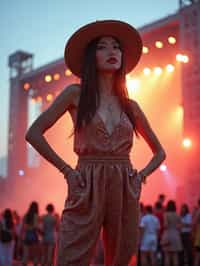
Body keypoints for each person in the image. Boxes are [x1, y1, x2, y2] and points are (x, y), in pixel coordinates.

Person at [25, 20, 166, 266]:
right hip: (85, 180)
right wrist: (67, 170)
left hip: (124, 184)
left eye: (116, 47)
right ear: (91, 57)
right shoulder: (74, 94)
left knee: (121, 258)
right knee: (70, 257)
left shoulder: (131, 106)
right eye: (103, 47)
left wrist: (140, 176)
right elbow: (34, 133)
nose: (113, 52)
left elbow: (160, 153)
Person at [161, 200, 182, 266]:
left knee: (167, 256)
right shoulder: (177, 215)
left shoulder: (166, 214)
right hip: (176, 235)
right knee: (175, 256)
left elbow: (165, 225)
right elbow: (180, 227)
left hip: (168, 235)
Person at [21, 201, 40, 266]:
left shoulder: (26, 215)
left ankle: (24, 262)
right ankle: (35, 263)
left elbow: (23, 227)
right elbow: (35, 226)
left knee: (26, 252)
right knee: (34, 253)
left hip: (27, 235)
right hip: (34, 235)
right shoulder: (36, 215)